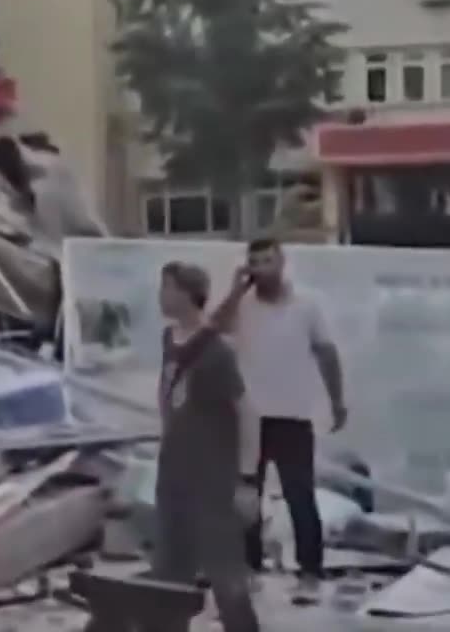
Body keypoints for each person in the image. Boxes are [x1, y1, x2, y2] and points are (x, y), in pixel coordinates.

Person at [210, 237, 347, 601]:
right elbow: (214, 327)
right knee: (245, 497)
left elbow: (326, 352)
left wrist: (337, 401)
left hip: (293, 415)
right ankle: (249, 568)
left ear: (282, 262)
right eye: (255, 261)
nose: (261, 268)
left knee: (299, 495)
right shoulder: (243, 306)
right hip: (249, 417)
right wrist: (236, 290)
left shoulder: (307, 304)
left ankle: (311, 572)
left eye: (268, 260)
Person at [152, 261, 260, 632]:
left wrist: (247, 480)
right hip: (173, 475)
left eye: (167, 287)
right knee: (168, 573)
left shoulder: (217, 353)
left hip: (212, 481)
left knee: (226, 575)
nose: (161, 295)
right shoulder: (170, 339)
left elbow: (247, 413)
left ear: (187, 294)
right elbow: (167, 394)